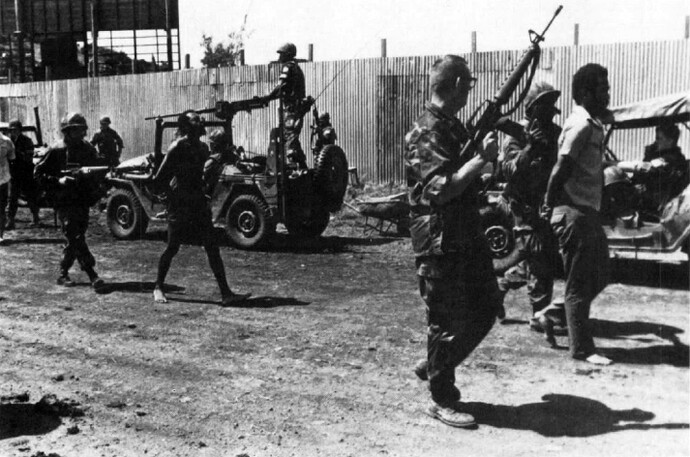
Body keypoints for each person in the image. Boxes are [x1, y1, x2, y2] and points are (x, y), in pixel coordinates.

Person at [405, 55, 501, 428]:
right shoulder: (426, 130)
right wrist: (481, 160)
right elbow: (441, 190)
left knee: (487, 305)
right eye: (469, 85)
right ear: (458, 85)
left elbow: (468, 182)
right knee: (443, 320)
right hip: (440, 236)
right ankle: (442, 399)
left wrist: (482, 163)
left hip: (464, 231)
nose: (469, 92)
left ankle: (436, 364)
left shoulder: (452, 126)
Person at [543, 63, 613, 366]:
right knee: (580, 284)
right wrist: (549, 204)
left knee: (601, 274)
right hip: (574, 212)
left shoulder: (590, 121)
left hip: (585, 211)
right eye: (602, 88)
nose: (607, 93)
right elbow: (562, 166)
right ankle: (582, 349)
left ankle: (551, 313)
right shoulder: (581, 124)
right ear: (585, 92)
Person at [152, 111, 250, 306]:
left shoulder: (203, 148)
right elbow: (158, 180)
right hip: (179, 203)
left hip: (197, 203)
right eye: (195, 120)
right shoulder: (177, 147)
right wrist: (171, 200)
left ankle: (226, 293)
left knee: (212, 247)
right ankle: (158, 287)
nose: (200, 122)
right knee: (173, 247)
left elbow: (204, 176)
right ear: (187, 126)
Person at [495, 82, 564, 333]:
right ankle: (539, 315)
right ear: (532, 109)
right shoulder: (515, 137)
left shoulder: (554, 134)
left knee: (534, 256)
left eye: (550, 107)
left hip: (545, 205)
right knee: (539, 256)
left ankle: (500, 287)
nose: (548, 112)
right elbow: (509, 171)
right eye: (543, 106)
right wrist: (530, 147)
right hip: (521, 206)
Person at [34, 113, 105, 290]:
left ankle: (62, 273)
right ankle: (92, 274)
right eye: (77, 130)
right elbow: (38, 174)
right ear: (68, 131)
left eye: (83, 129)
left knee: (75, 237)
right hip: (63, 200)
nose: (82, 133)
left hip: (82, 199)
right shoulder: (56, 150)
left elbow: (98, 170)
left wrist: (92, 176)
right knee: (75, 235)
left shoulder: (88, 149)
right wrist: (58, 180)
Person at [264, 42, 313, 169]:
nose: (279, 58)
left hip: (292, 108)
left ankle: (294, 169)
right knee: (291, 138)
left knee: (289, 137)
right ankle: (302, 166)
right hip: (296, 108)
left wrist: (268, 97)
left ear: (288, 55)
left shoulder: (288, 67)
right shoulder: (296, 68)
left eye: (282, 54)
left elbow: (282, 86)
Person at [6, 119, 41, 229]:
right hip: (14, 173)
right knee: (12, 197)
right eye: (11, 130)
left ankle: (36, 218)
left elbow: (28, 157)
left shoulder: (26, 140)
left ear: (20, 130)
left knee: (31, 196)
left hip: (26, 172)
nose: (13, 132)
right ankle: (10, 220)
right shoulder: (8, 141)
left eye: (15, 129)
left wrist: (16, 153)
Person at [203, 129, 234, 197]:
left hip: (212, 192)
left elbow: (203, 173)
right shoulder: (232, 155)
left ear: (216, 145)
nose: (210, 145)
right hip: (226, 190)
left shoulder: (214, 159)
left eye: (211, 143)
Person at [0, 130, 15, 245]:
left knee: (1, 208)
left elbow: (12, 158)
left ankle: (0, 234)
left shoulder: (6, 141)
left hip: (2, 179)